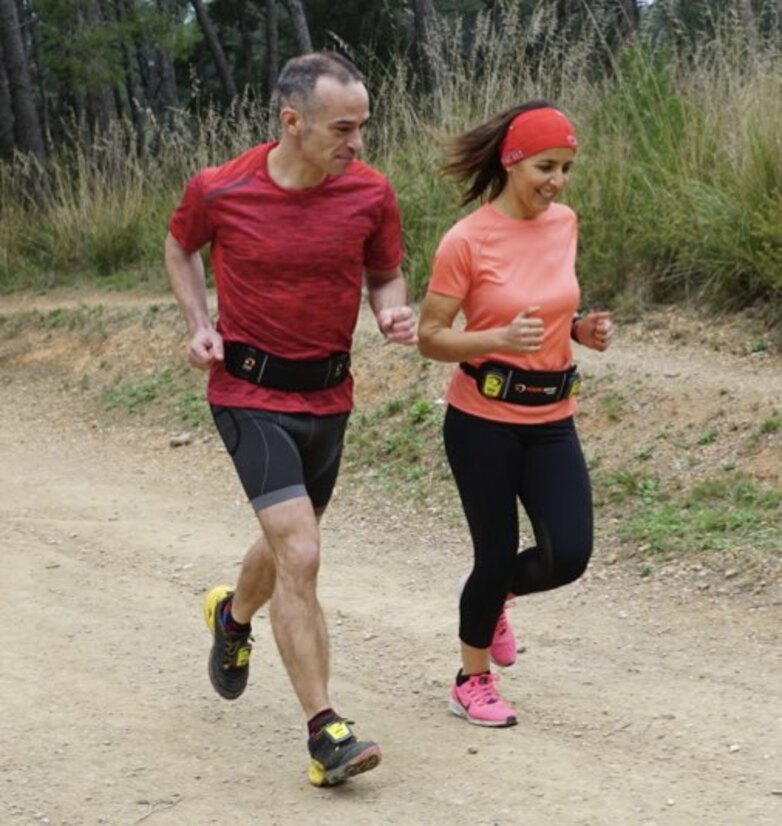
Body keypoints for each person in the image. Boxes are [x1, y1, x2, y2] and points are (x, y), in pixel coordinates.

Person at [164, 51, 416, 786]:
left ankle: (232, 618)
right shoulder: (221, 188)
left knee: (284, 551)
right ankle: (326, 731)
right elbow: (181, 247)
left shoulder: (370, 193)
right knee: (301, 554)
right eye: (344, 127)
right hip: (248, 392)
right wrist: (199, 321)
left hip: (329, 396)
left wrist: (389, 309)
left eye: (364, 126)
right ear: (292, 121)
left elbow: (383, 269)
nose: (358, 142)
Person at [417, 101, 613, 728]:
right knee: (495, 549)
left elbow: (552, 306)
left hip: (552, 415)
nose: (556, 181)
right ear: (511, 161)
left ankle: (491, 593)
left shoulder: (565, 222)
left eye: (566, 168)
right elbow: (431, 337)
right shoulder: (466, 241)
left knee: (570, 554)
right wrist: (496, 336)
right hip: (482, 420)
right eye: (545, 166)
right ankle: (471, 679)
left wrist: (579, 330)